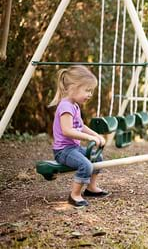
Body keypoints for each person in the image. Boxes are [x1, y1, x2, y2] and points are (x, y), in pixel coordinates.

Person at [49, 65, 109, 207]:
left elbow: (81, 126)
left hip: (73, 148)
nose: (90, 94)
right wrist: (89, 138)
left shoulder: (74, 105)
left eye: (91, 91)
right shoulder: (65, 107)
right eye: (87, 90)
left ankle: (91, 188)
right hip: (63, 151)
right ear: (73, 87)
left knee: (97, 157)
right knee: (86, 165)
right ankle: (74, 195)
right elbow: (67, 131)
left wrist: (97, 135)